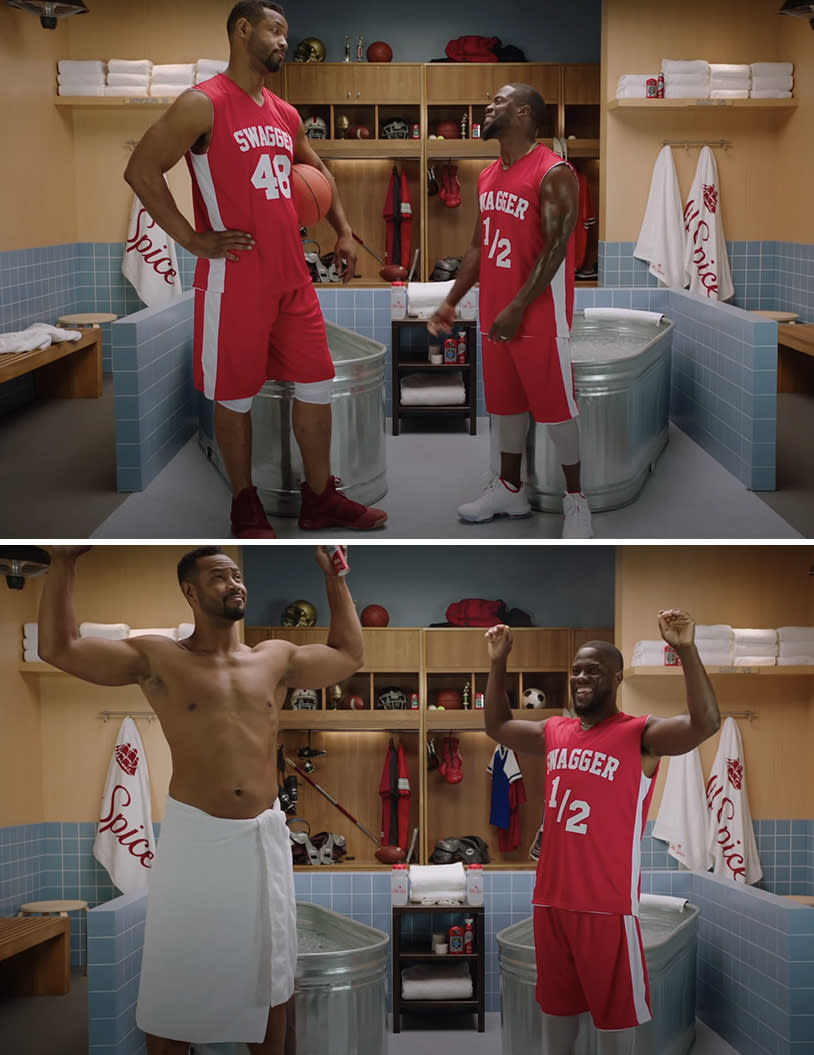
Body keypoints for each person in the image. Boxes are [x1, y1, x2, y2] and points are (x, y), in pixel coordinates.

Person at [38, 544, 365, 1055]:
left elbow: (348, 656)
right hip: (197, 841)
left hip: (262, 841)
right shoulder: (157, 657)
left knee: (272, 974)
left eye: (237, 575)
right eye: (218, 577)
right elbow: (59, 649)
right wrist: (64, 563)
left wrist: (335, 580)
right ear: (190, 592)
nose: (235, 583)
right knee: (178, 975)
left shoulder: (274, 657)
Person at [124, 1, 387, 538]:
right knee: (235, 397)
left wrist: (341, 229)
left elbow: (317, 171)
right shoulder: (203, 104)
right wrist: (193, 239)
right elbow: (142, 170)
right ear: (243, 30)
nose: (283, 41)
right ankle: (245, 506)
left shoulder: (285, 114)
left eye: (286, 33)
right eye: (275, 30)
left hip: (293, 278)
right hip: (234, 277)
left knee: (317, 385)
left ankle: (320, 500)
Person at [483, 610, 721, 1055]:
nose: (580, 677)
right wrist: (498, 661)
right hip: (550, 901)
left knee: (615, 1024)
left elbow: (705, 723)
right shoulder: (556, 730)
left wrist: (686, 649)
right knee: (557, 1016)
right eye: (575, 670)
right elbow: (497, 727)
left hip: (606, 907)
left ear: (617, 676)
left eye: (592, 670)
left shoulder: (640, 734)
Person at [427, 83, 592, 539]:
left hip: (537, 314)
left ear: (522, 113)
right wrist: (451, 299)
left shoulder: (554, 172)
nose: (486, 108)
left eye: (496, 102)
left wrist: (519, 307)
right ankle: (510, 490)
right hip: (498, 312)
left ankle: (576, 501)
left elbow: (558, 247)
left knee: (558, 411)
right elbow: (480, 247)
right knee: (505, 408)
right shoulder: (487, 176)